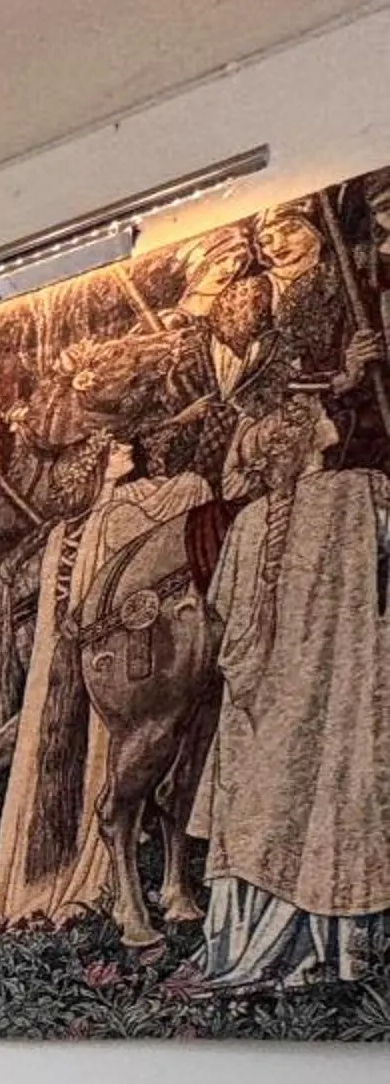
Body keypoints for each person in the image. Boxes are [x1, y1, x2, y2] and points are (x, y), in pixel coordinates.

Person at [180, 395, 390, 990]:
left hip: (261, 709)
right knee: (328, 803)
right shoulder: (358, 495)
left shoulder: (250, 521)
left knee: (256, 813)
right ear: (315, 437)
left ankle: (244, 945)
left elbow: (222, 608)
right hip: (332, 694)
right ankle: (330, 951)